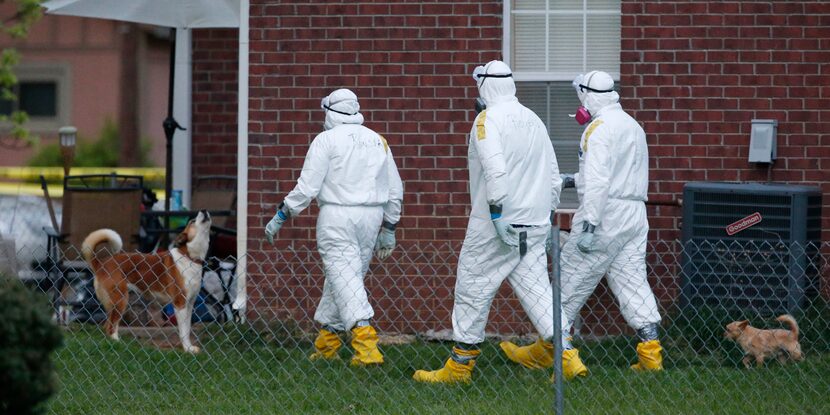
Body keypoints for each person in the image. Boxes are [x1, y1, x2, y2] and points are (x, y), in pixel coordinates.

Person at [412, 60, 562, 383]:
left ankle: (460, 366)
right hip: (533, 225)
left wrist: (495, 213)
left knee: (471, 286)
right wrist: (548, 215)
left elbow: (495, 170)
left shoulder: (486, 120)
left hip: (496, 224)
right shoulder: (534, 119)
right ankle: (567, 358)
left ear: (485, 86)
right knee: (537, 291)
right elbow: (553, 176)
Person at [264, 88, 403, 366]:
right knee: (343, 279)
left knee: (346, 279)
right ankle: (327, 344)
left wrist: (282, 213)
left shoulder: (325, 140)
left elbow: (307, 187)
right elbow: (395, 188)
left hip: (337, 217)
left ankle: (367, 346)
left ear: (329, 112)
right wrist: (389, 226)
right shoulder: (378, 140)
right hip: (372, 218)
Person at [557, 70, 663, 378]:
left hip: (604, 215)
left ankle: (563, 359)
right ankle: (651, 356)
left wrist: (589, 225)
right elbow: (617, 175)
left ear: (588, 95)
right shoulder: (632, 125)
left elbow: (599, 182)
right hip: (634, 214)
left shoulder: (598, 128)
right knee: (632, 282)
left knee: (566, 286)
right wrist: (570, 181)